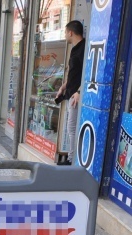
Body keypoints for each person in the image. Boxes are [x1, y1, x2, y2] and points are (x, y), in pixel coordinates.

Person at [56, 20, 85, 165]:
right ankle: (71, 157)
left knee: (72, 128)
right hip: (71, 93)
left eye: (65, 32)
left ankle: (71, 160)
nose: (65, 35)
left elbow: (87, 73)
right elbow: (74, 73)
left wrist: (79, 91)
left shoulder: (84, 48)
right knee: (71, 128)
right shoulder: (75, 49)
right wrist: (64, 86)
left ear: (71, 32)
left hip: (76, 96)